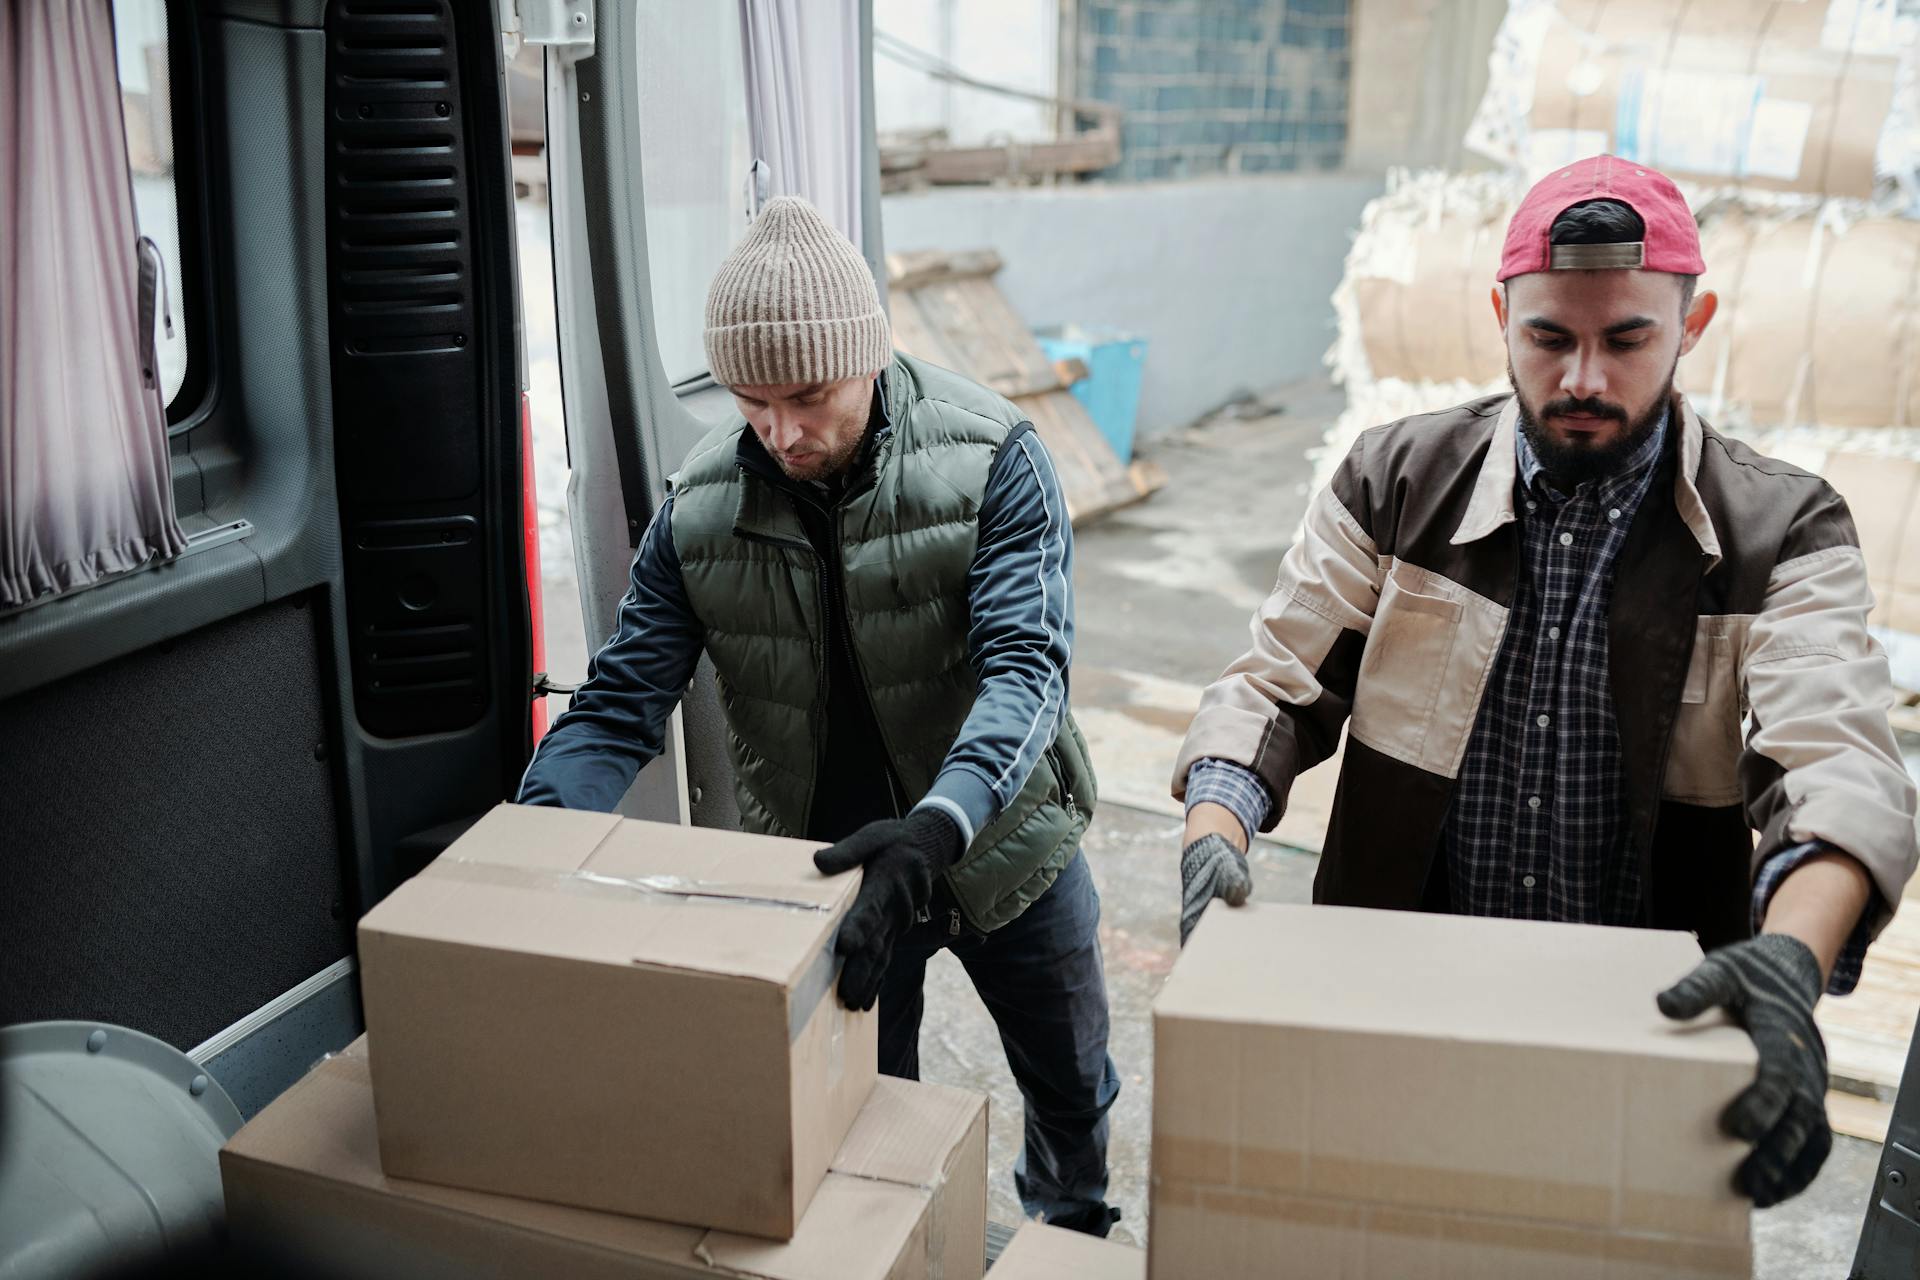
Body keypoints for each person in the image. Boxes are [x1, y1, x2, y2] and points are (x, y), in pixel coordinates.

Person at [1173, 155, 1918, 1208]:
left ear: (1692, 323)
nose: (1582, 380)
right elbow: (1275, 677)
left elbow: (1837, 757)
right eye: (1550, 337)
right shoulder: (1394, 480)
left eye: (1626, 340)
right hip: (1401, 990)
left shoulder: (1782, 530)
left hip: (1649, 1022)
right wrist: (1216, 829)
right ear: (1500, 314)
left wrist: (1791, 961)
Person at [518, 196, 1120, 1236]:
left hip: (1002, 840)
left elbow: (1025, 673)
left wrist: (939, 829)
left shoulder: (994, 457)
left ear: (871, 356)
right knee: (862, 1120)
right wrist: (529, 848)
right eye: (751, 400)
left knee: (1070, 1084)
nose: (781, 432)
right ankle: (896, 1248)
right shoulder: (700, 507)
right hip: (835, 873)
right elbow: (619, 706)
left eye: (808, 395)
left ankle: (1072, 1236)